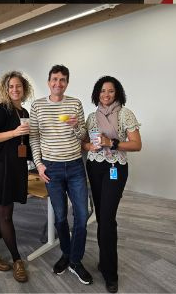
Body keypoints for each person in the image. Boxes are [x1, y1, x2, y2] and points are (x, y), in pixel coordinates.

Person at [29, 64, 93, 285]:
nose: (58, 83)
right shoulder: (37, 106)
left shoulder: (75, 103)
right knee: (60, 216)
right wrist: (39, 164)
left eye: (63, 80)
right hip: (52, 168)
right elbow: (34, 138)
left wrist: (77, 127)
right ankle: (67, 253)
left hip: (75, 167)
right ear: (48, 82)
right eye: (54, 79)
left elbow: (83, 136)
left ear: (67, 82)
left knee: (82, 217)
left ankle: (75, 260)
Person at [82, 76, 142, 294]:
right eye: (102, 91)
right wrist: (91, 146)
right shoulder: (91, 117)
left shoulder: (125, 114)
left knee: (107, 219)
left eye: (110, 91)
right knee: (101, 217)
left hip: (115, 168)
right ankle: (103, 261)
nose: (106, 95)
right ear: (97, 94)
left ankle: (111, 273)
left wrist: (111, 143)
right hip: (95, 167)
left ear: (117, 94)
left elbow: (137, 144)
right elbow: (84, 142)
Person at [0, 71, 34, 283]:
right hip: (1, 168)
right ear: (6, 89)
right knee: (5, 215)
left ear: (24, 89)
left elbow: (25, 144)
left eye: (18, 86)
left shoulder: (25, 112)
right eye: (11, 86)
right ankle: (17, 260)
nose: (15, 90)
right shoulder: (3, 109)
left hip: (16, 168)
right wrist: (13, 132)